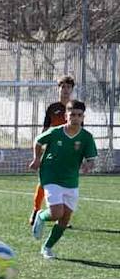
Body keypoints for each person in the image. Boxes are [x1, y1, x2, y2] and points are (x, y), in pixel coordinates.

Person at [29, 99, 97, 259]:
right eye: (72, 114)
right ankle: (41, 216)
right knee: (56, 213)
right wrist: (37, 159)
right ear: (66, 116)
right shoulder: (56, 132)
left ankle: (47, 248)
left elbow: (91, 158)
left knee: (65, 219)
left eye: (79, 115)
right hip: (51, 175)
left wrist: (89, 166)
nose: (75, 118)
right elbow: (38, 141)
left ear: (83, 117)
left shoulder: (86, 137)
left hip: (71, 180)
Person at [30, 75, 74, 229]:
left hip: (67, 154)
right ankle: (36, 211)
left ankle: (61, 218)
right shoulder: (52, 108)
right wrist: (38, 154)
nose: (66, 90)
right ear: (59, 89)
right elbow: (44, 131)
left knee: (66, 184)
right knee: (44, 181)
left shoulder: (75, 109)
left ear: (72, 89)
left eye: (68, 87)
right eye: (63, 87)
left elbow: (78, 131)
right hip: (51, 152)